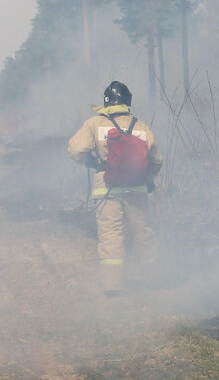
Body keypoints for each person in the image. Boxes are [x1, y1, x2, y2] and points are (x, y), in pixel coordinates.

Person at [68, 80, 162, 295]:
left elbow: (75, 149)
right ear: (127, 101)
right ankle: (153, 280)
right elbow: (156, 159)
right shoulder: (140, 125)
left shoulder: (94, 123)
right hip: (137, 187)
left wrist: (89, 162)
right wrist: (148, 178)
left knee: (111, 234)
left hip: (107, 189)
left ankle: (112, 286)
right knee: (143, 232)